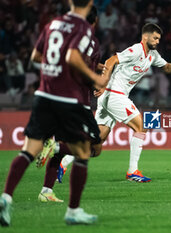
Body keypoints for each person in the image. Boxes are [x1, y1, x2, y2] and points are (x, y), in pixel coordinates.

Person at [0, 0, 108, 227]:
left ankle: (6, 198)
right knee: (85, 151)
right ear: (90, 6)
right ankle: (73, 211)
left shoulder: (54, 24)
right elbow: (73, 58)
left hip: (44, 95)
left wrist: (57, 67)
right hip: (70, 99)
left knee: (28, 150)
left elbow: (35, 57)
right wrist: (96, 78)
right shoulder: (84, 30)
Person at [94, 23, 171, 182]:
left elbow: (167, 68)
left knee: (96, 143)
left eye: (159, 39)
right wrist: (103, 82)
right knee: (143, 125)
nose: (157, 41)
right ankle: (132, 171)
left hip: (113, 96)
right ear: (146, 36)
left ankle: (59, 152)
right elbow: (110, 61)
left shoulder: (153, 55)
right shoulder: (136, 50)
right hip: (114, 93)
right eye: (155, 38)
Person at [36, 5, 103, 203]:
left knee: (68, 141)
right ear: (95, 21)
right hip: (77, 99)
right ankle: (54, 147)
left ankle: (46, 191)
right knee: (93, 147)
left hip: (56, 95)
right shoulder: (91, 40)